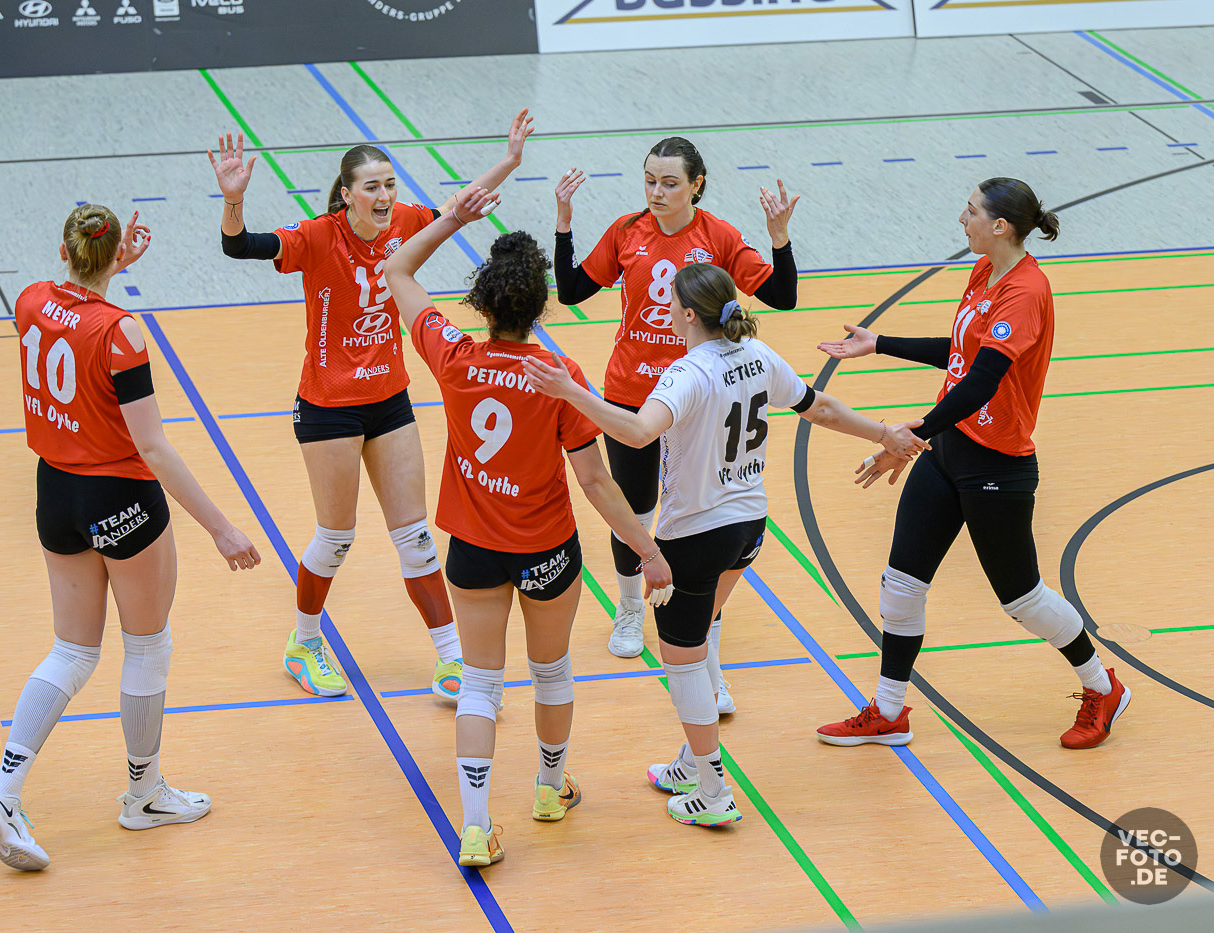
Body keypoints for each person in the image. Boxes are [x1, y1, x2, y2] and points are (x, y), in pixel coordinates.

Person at [525, 263, 925, 826]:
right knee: (702, 633)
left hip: (695, 534)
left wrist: (572, 392)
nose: (665, 309)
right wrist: (883, 432)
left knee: (682, 662)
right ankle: (690, 764)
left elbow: (637, 433)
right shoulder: (758, 355)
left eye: (670, 302)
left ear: (688, 314)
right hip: (748, 527)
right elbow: (821, 408)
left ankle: (713, 791)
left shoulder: (687, 373)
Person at [384, 187, 673, 866]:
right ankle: (548, 788)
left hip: (474, 549)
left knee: (480, 683)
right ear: (541, 304)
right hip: (546, 550)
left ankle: (475, 826)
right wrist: (648, 550)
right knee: (551, 671)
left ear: (483, 305)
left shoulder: (453, 357)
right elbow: (595, 481)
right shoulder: (558, 375)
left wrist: (452, 217)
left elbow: (397, 269)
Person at [0, 204, 261, 871]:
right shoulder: (122, 332)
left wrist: (100, 270)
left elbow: (69, 312)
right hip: (119, 494)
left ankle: (4, 793)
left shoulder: (29, 301)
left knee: (72, 651)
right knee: (147, 645)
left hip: (55, 493)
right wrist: (221, 528)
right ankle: (144, 793)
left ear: (64, 250)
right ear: (114, 257)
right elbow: (152, 445)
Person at [209, 111, 534, 700]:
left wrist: (509, 161)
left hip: (389, 399)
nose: (384, 197)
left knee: (416, 537)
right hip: (329, 406)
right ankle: (304, 644)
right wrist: (234, 201)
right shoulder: (317, 236)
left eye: (389, 184)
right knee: (336, 537)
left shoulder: (404, 221)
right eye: (371, 187)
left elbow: (458, 206)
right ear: (347, 195)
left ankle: (451, 659)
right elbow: (240, 247)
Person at [814, 177, 1130, 750]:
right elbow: (962, 352)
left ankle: (1102, 686)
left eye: (971, 210)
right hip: (948, 451)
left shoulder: (1026, 291)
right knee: (901, 584)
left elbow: (983, 380)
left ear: (1000, 226)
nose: (963, 219)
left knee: (1022, 600)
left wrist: (910, 435)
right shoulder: (984, 272)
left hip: (997, 467)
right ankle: (889, 712)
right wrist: (880, 343)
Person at [553, 136, 799, 715]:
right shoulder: (626, 231)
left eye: (669, 183)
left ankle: (705, 644)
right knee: (635, 511)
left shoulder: (719, 237)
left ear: (696, 185)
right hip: (634, 394)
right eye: (650, 181)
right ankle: (629, 608)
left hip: (701, 398)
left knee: (699, 519)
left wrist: (779, 237)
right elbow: (570, 292)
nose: (657, 192)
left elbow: (783, 297)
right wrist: (564, 222)